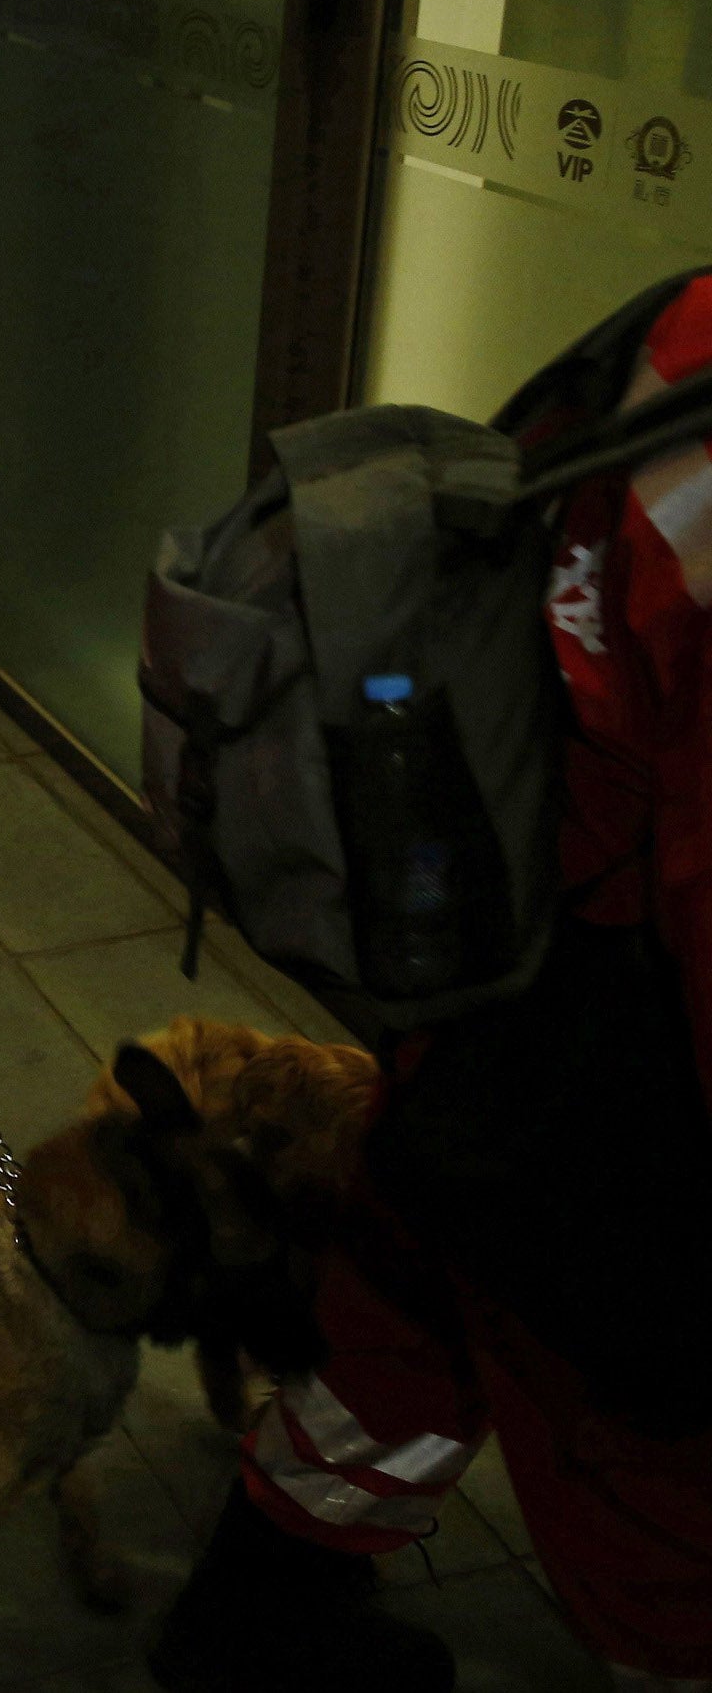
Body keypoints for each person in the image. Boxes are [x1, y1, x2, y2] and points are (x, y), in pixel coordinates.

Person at [150, 282, 712, 1693]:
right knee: (656, 1493)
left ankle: (249, 1620)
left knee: (401, 1318)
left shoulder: (682, 328)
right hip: (608, 1060)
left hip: (480, 952)